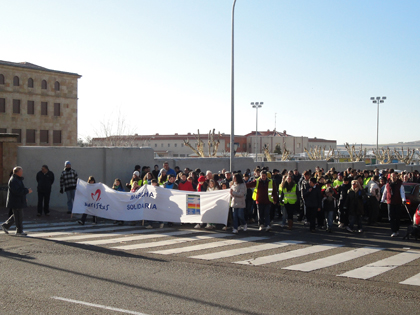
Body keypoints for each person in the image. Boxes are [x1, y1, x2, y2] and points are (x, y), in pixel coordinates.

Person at [1, 166, 33, 236]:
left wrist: (24, 197)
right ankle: (19, 231)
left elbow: (20, 189)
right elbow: (17, 191)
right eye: (21, 171)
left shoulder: (17, 179)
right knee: (18, 216)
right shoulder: (14, 180)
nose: (22, 172)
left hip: (18, 200)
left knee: (17, 215)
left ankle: (6, 226)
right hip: (16, 201)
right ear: (17, 172)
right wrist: (27, 191)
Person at [381, 172, 406, 237]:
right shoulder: (387, 185)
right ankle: (393, 230)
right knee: (391, 217)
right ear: (390, 177)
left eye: (395, 177)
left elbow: (402, 193)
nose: (393, 178)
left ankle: (397, 230)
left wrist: (404, 200)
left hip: (397, 202)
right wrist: (382, 201)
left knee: (397, 217)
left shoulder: (400, 184)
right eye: (392, 177)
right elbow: (384, 193)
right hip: (390, 202)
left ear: (397, 177)